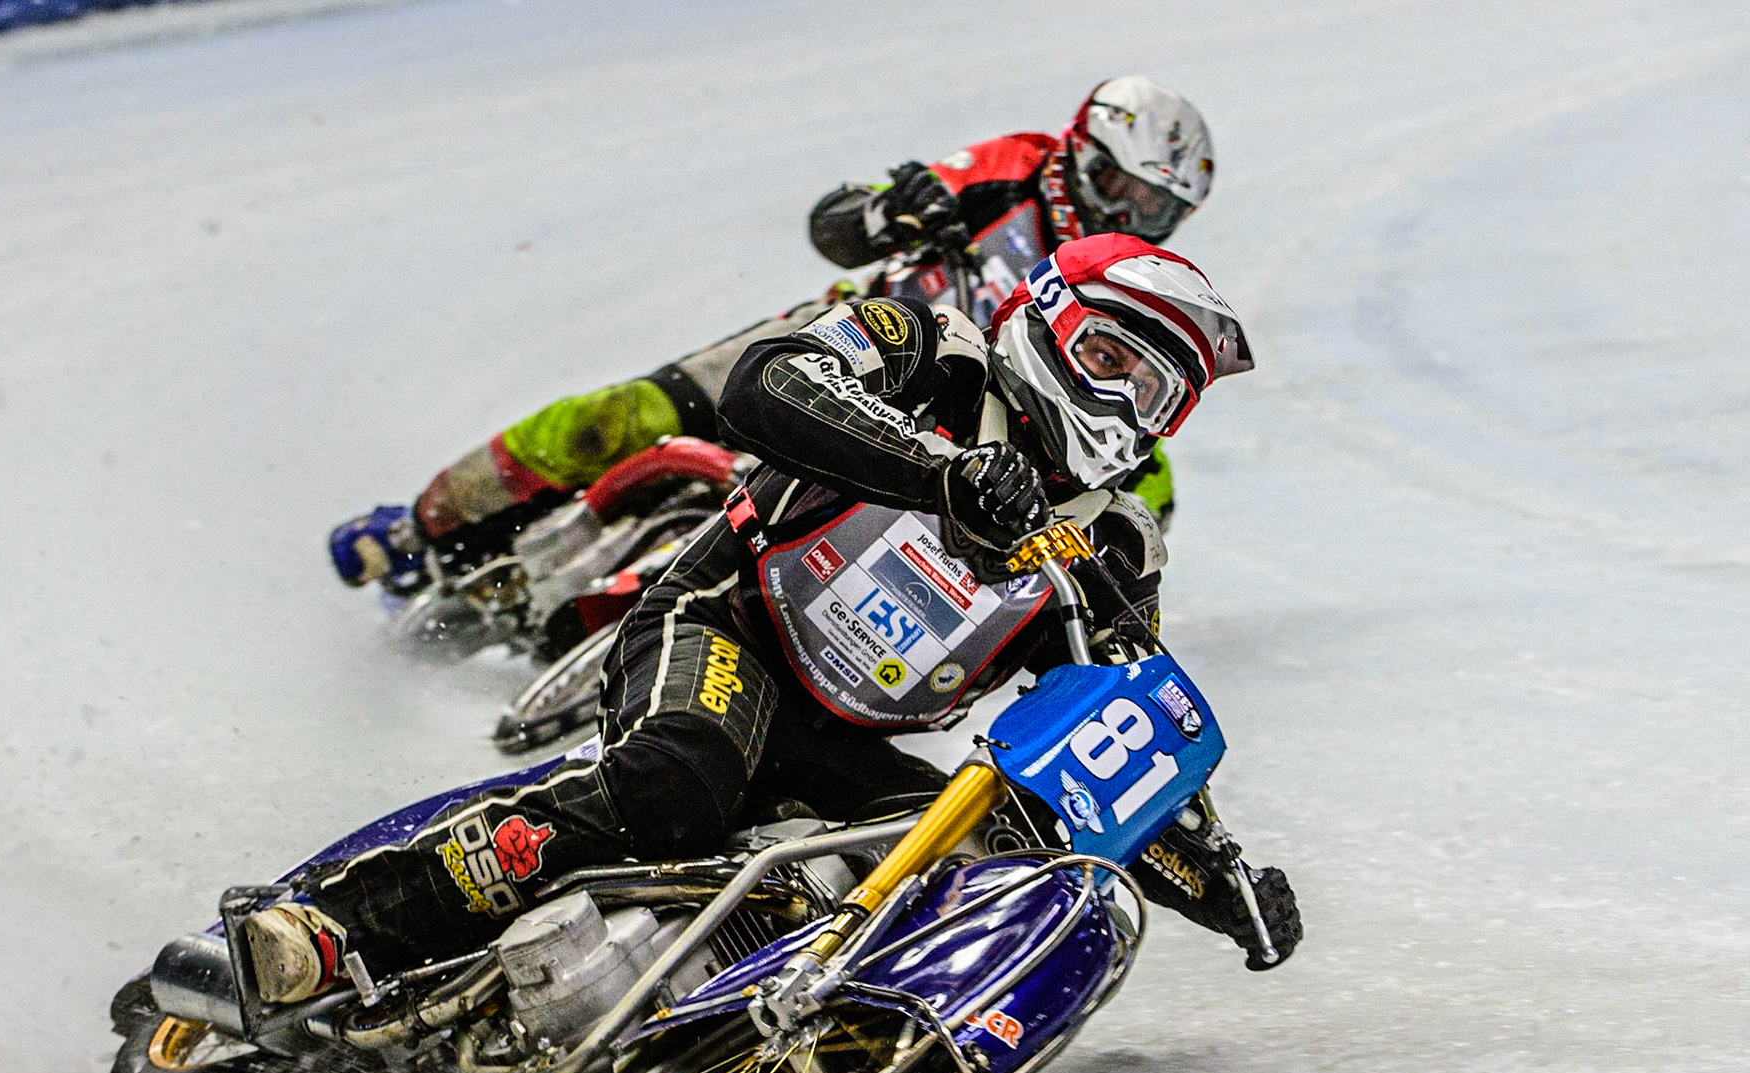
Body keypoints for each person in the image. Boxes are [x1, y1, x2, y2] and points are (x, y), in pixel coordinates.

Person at [247, 234, 1300, 1005]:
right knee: (676, 781)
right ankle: (332, 928)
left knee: (989, 875)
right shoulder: (930, 348)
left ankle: (759, 1040)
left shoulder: (1116, 545)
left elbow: (1117, 729)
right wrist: (944, 474)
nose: (1123, 405)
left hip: (844, 734)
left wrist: (1215, 880)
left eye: (1157, 394)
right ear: (1047, 317)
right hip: (728, 622)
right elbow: (767, 383)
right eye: (1112, 360)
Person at [330, 76, 1214, 597]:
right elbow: (836, 224)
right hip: (857, 340)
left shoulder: (1126, 288)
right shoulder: (1008, 169)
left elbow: (1141, 440)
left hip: (949, 429)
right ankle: (420, 522)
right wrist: (894, 211)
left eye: (1158, 210)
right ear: (1080, 153)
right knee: (629, 413)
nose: (1130, 215)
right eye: (1124, 189)